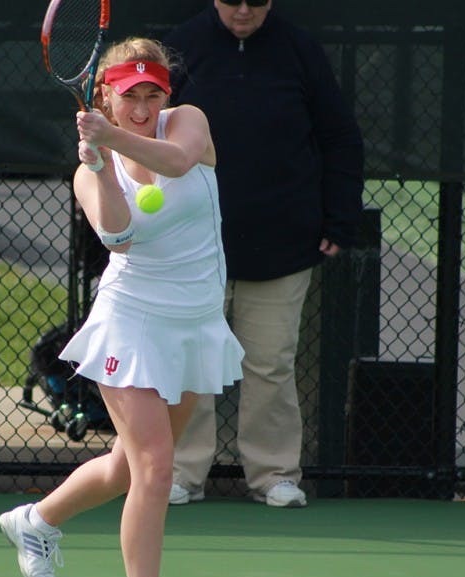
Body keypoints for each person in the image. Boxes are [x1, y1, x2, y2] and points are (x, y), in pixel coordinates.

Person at [0, 37, 244, 577]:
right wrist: (101, 165)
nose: (142, 105)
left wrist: (111, 138)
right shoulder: (91, 166)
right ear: (105, 94)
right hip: (131, 322)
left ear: (167, 93)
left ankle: (35, 521)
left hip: (195, 322)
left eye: (152, 92)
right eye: (128, 94)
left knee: (130, 466)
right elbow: (118, 236)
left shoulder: (188, 123)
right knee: (158, 469)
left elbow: (180, 163)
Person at [163, 1, 365, 508]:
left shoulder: (300, 50)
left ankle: (274, 474)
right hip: (193, 246)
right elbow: (149, 134)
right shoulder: (181, 47)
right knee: (190, 362)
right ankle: (181, 475)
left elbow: (340, 137)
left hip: (282, 241)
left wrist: (340, 217)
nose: (244, 9)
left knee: (271, 362)